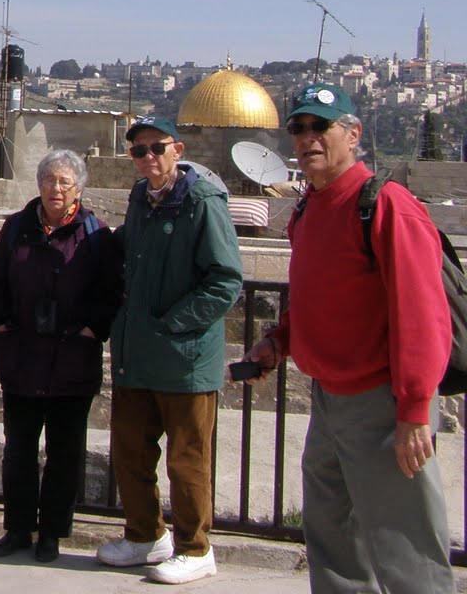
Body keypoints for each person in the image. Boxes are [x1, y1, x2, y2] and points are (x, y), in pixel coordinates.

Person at [240, 83, 452, 593]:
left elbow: (423, 315)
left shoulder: (386, 206)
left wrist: (414, 410)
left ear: (353, 134)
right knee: (333, 543)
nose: (307, 137)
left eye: (321, 126)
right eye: (299, 127)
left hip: (383, 403)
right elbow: (317, 297)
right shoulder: (308, 209)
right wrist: (280, 342)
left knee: (406, 550)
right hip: (329, 400)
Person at [97, 116, 241, 585]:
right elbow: (129, 249)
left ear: (177, 149)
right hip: (138, 353)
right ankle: (144, 535)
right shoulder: (141, 197)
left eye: (156, 148)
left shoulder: (202, 201)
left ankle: (195, 548)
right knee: (130, 451)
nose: (148, 158)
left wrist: (174, 324)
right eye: (138, 151)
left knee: (187, 459)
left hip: (184, 358)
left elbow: (225, 280)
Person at [0, 150, 121, 564]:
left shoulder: (95, 234)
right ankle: (18, 528)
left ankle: (52, 533)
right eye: (49, 180)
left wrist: (93, 329)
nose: (55, 188)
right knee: (19, 451)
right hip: (22, 358)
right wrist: (0, 323)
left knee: (64, 453)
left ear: (78, 188)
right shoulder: (16, 228)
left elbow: (111, 290)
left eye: (64, 181)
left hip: (71, 362)